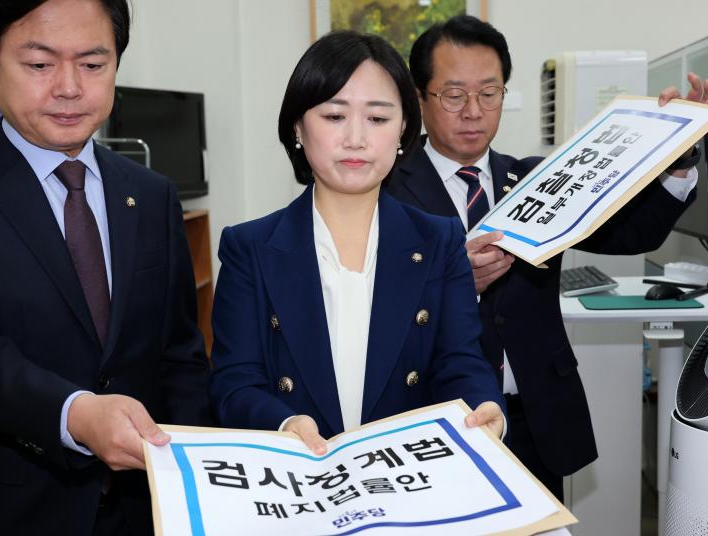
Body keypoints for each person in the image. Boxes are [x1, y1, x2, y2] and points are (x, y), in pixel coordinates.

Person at [386, 15, 707, 501]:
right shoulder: (383, 190)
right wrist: (452, 284)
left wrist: (679, 158)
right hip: (436, 417)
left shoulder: (537, 180)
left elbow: (634, 232)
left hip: (536, 418)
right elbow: (366, 311)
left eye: (489, 93)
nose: (473, 111)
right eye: (453, 95)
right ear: (419, 97)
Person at [209, 31, 505, 455]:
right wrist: (284, 423)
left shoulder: (438, 240)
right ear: (298, 126)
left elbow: (460, 361)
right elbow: (234, 382)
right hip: (301, 476)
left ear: (403, 129)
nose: (355, 138)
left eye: (378, 119)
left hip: (408, 474)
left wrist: (483, 408)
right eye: (334, 116)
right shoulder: (249, 247)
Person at [0, 0, 211, 534]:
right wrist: (72, 413)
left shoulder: (152, 194)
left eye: (93, 64)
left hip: (147, 507)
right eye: (39, 64)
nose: (70, 87)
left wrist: (195, 484)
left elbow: (179, 356)